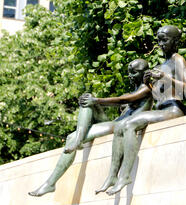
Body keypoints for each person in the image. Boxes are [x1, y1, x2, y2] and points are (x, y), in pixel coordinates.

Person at [28, 59, 153, 196]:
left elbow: (123, 101)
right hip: (115, 122)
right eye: (129, 73)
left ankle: (51, 182)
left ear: (144, 73)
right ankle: (76, 143)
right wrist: (93, 100)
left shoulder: (146, 89)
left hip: (120, 125)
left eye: (134, 73)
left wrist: (97, 101)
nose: (130, 76)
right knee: (87, 100)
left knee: (72, 135)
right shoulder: (134, 90)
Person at [97, 25, 186, 195]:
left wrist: (165, 77)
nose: (161, 44)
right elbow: (157, 95)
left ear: (176, 41)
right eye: (159, 40)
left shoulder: (178, 60)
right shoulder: (161, 64)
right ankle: (112, 175)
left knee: (130, 124)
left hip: (173, 110)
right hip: (161, 109)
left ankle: (125, 176)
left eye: (165, 40)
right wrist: (150, 84)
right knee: (120, 125)